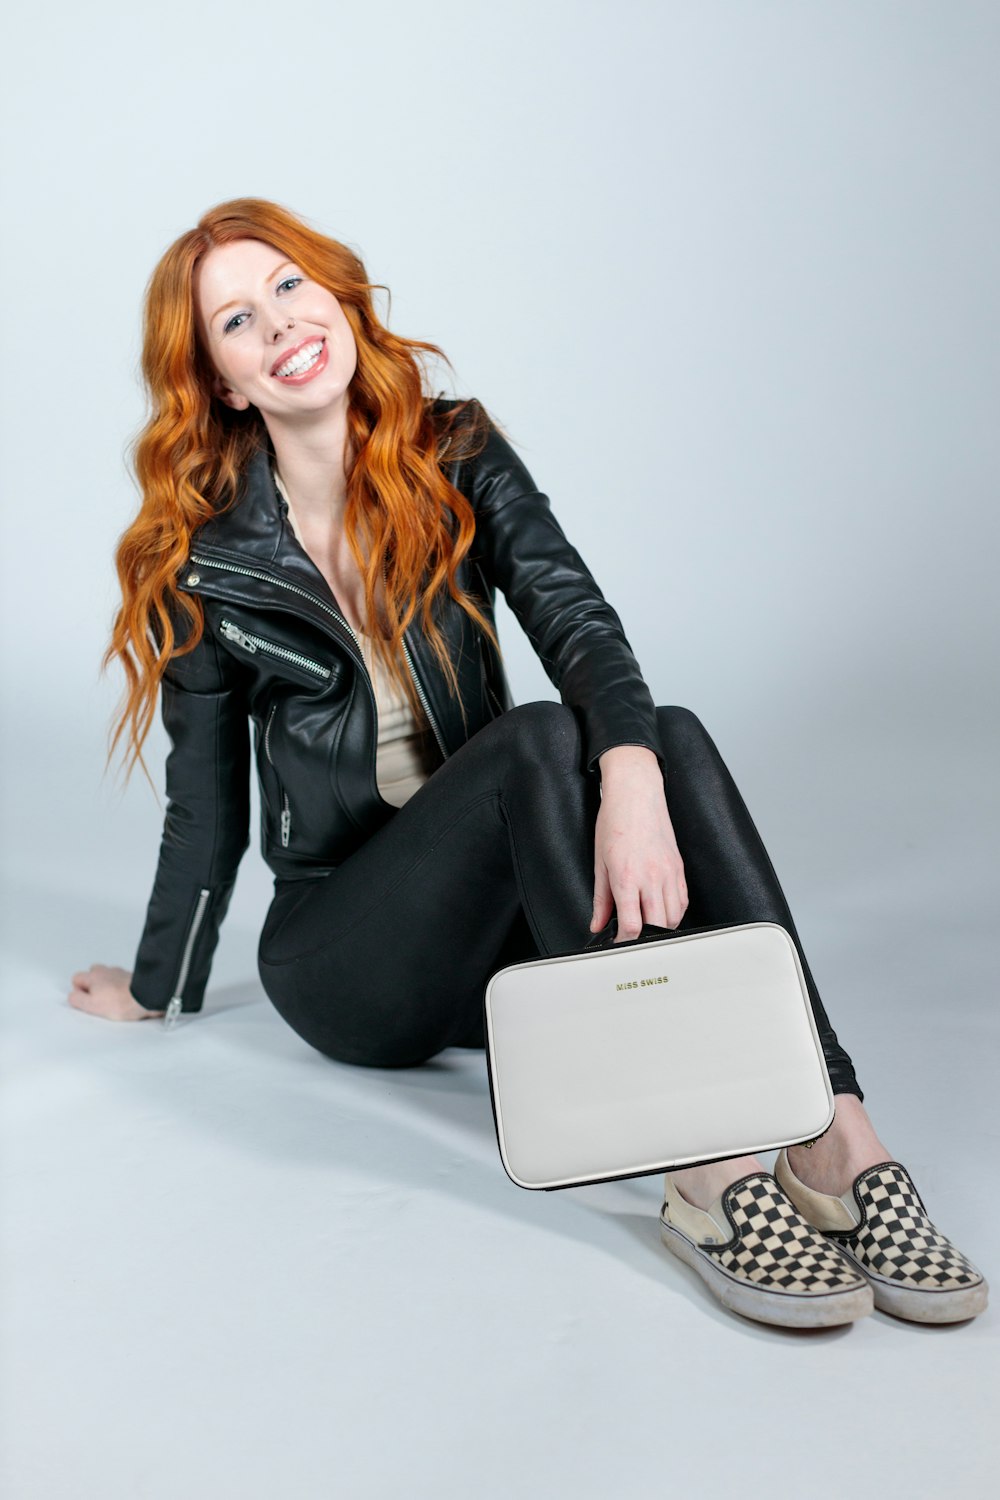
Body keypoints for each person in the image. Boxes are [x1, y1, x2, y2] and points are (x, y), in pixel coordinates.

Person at [69, 197, 986, 1330]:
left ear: (339, 299)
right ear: (223, 383)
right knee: (542, 739)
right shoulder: (210, 564)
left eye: (293, 287)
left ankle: (831, 1126)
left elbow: (576, 620)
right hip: (345, 961)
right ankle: (698, 1166)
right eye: (238, 322)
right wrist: (157, 985)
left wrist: (637, 779)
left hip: (495, 944)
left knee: (663, 732)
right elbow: (203, 807)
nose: (282, 325)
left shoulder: (451, 448)